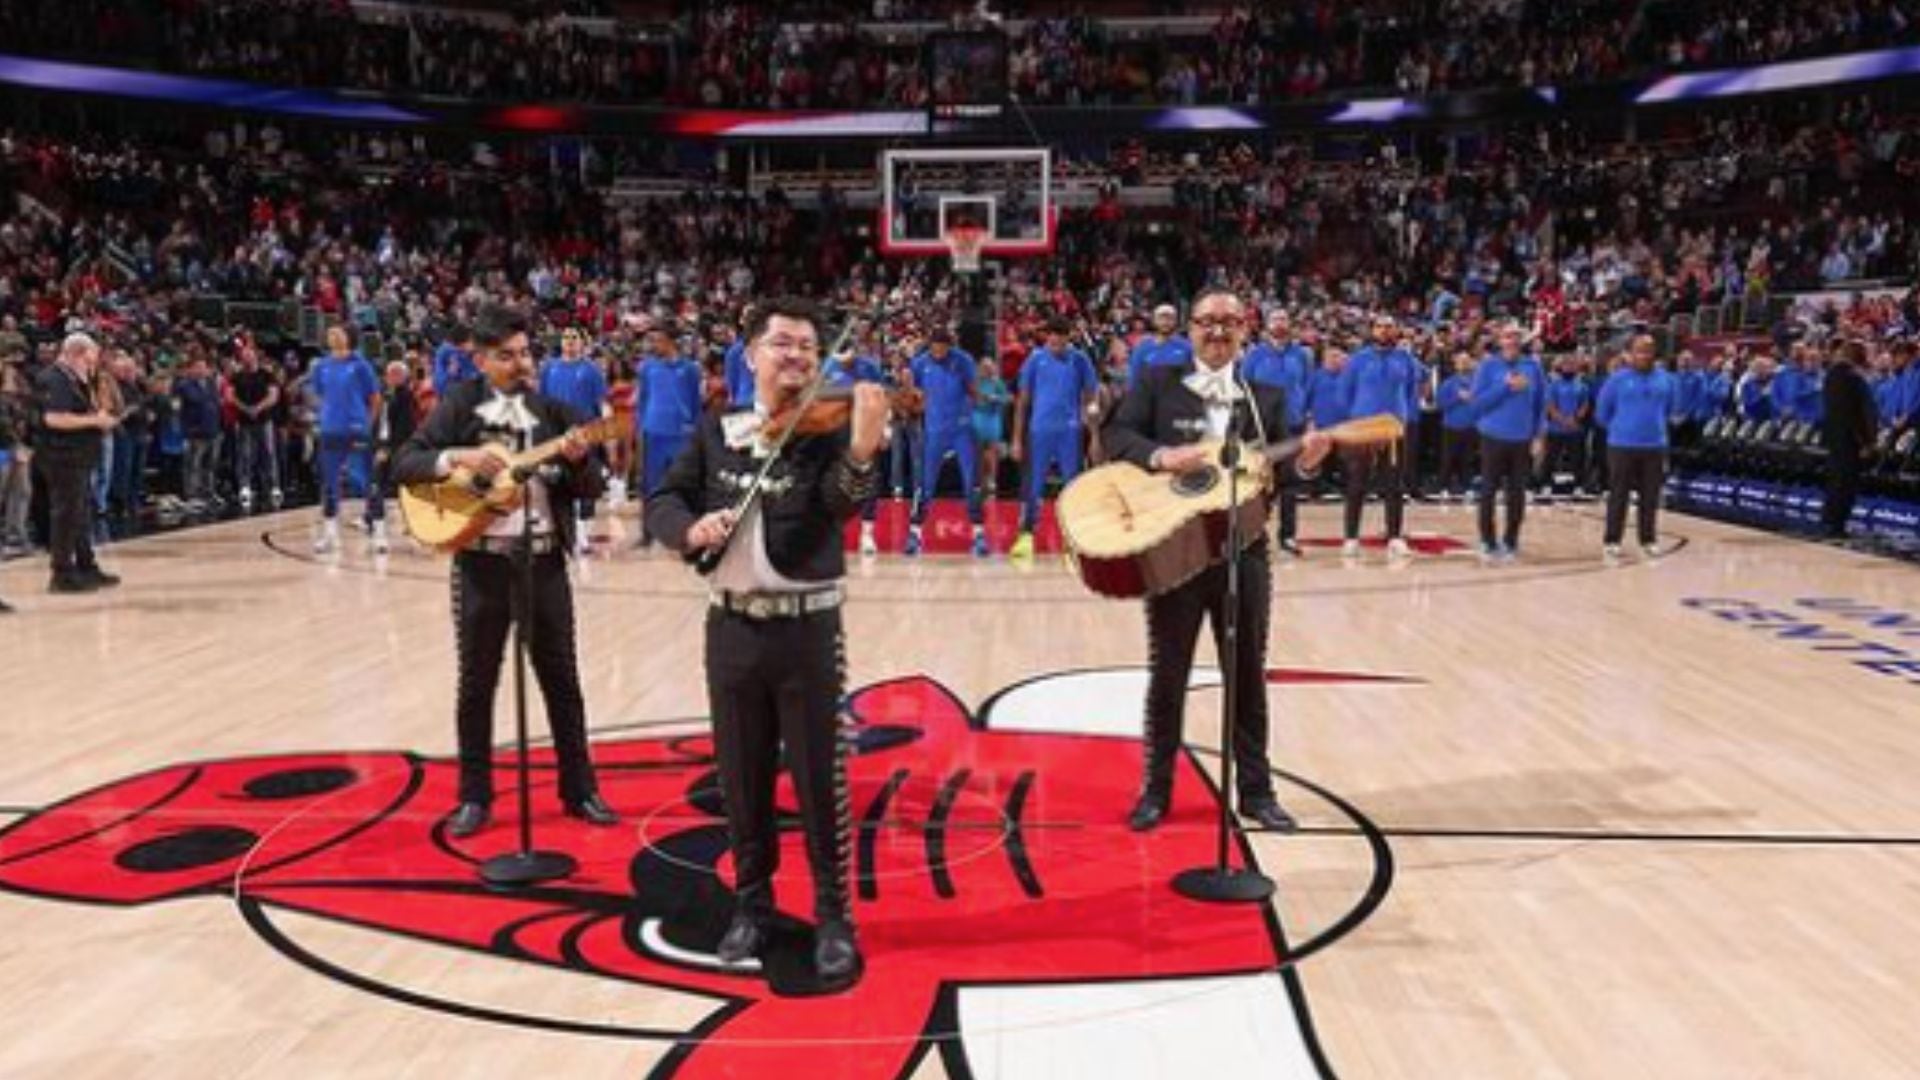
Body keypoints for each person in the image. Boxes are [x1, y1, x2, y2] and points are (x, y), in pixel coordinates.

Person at [645, 296, 889, 992]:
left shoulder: (828, 430)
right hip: (731, 625)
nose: (798, 357)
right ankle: (752, 905)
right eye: (783, 344)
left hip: (807, 629)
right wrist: (688, 532)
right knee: (740, 776)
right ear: (750, 354)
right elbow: (665, 498)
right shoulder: (717, 430)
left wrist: (865, 448)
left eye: (809, 349)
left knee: (819, 779)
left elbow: (843, 507)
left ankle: (834, 917)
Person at [1102, 289, 1331, 834]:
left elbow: (1284, 471)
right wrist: (1160, 455)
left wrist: (1309, 465)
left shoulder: (1265, 399)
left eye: (1229, 322)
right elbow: (1116, 434)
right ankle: (1155, 792)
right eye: (1207, 321)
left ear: (1244, 330)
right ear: (1190, 329)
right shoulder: (1158, 383)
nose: (1218, 331)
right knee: (1168, 676)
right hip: (1174, 553)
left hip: (1243, 554)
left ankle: (1257, 793)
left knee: (1247, 676)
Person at [390, 304, 618, 838]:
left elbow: (589, 489)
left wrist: (583, 459)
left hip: (543, 562)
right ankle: (474, 797)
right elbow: (404, 462)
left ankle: (580, 790)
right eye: (506, 356)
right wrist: (458, 459)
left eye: (524, 353)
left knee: (562, 681)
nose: (520, 364)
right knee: (477, 684)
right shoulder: (459, 405)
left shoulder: (555, 411)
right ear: (481, 359)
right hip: (481, 564)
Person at [33, 333, 121, 594]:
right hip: (61, 456)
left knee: (81, 514)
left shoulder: (74, 380)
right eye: (89, 360)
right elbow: (54, 418)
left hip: (79, 455)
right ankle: (61, 572)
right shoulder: (55, 379)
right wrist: (94, 421)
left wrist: (100, 419)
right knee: (66, 514)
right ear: (76, 354)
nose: (91, 366)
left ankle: (86, 565)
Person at [1010, 318, 1097, 560]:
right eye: (1052, 335)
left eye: (1062, 335)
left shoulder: (1080, 359)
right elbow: (1022, 401)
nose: (1056, 339)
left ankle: (1074, 540)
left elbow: (1090, 399)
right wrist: (1016, 439)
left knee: (1073, 486)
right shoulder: (1035, 359)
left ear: (1069, 336)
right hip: (1040, 431)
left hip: (1070, 431)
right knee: (1033, 486)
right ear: (1046, 336)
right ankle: (1026, 537)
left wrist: (1096, 437)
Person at [1337, 314, 1419, 559]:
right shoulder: (1358, 360)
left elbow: (1411, 391)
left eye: (1390, 326)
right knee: (1357, 485)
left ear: (1396, 331)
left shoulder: (1406, 359)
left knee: (1394, 485)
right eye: (1380, 327)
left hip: (1393, 429)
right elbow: (1344, 394)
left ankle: (1394, 537)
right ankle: (1351, 538)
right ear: (1372, 331)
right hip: (1364, 429)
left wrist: (1403, 418)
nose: (1385, 330)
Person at [1466, 324, 1547, 562]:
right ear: (1500, 340)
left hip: (1522, 439)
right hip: (1493, 437)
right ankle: (1487, 540)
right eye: (1507, 336)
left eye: (1516, 337)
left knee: (1517, 494)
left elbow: (1541, 404)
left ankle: (1511, 540)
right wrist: (1506, 387)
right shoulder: (1487, 366)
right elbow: (1477, 403)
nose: (1511, 341)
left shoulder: (1533, 367)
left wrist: (1539, 435)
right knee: (1489, 491)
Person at [906, 327, 987, 557]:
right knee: (925, 483)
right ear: (930, 345)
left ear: (949, 346)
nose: (939, 351)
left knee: (972, 481)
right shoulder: (920, 363)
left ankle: (979, 535)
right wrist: (913, 415)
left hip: (962, 429)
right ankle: (914, 535)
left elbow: (974, 391)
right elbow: (913, 394)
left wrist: (980, 416)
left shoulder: (963, 360)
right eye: (935, 347)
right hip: (933, 431)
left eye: (943, 347)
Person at [1595, 335, 1677, 560]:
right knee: (1618, 495)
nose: (1645, 355)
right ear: (1630, 354)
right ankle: (1612, 540)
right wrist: (1622, 428)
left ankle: (1648, 539)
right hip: (1622, 445)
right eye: (1640, 350)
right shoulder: (1617, 380)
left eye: (1649, 350)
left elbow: (1669, 409)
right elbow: (1602, 413)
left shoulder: (1666, 379)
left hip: (1655, 445)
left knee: (1650, 495)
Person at [1242, 309, 1315, 554]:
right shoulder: (1254, 355)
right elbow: (1244, 390)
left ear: (1289, 324)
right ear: (1267, 325)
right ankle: (1253, 535)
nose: (1280, 323)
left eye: (1284, 319)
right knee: (1258, 484)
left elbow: (1309, 387)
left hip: (1293, 425)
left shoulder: (1302, 355)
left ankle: (1288, 536)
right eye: (1275, 320)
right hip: (1262, 428)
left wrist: (1309, 419)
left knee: (1290, 485)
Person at [309, 325, 385, 554]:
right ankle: (330, 535)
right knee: (330, 484)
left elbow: (375, 398)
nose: (332, 335)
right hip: (330, 430)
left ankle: (379, 534)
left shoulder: (360, 365)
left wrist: (366, 425)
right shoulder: (320, 366)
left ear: (349, 337)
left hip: (356, 429)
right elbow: (322, 395)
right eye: (330, 332)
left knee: (366, 482)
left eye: (338, 332)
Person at [538, 327, 610, 553]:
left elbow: (602, 403)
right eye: (566, 337)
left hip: (585, 432)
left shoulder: (592, 371)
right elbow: (542, 401)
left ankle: (584, 535)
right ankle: (560, 531)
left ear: (583, 342)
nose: (569, 341)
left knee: (586, 482)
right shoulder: (549, 369)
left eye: (574, 337)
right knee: (556, 481)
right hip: (556, 433)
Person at [635, 327, 703, 547]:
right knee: (650, 485)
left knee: (684, 483)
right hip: (653, 433)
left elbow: (696, 403)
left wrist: (695, 431)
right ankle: (647, 534)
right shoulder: (646, 368)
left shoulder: (691, 369)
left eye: (658, 340)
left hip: (681, 434)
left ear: (670, 342)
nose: (653, 345)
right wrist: (640, 427)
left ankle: (687, 532)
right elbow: (642, 400)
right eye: (652, 341)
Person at [1822, 340, 1879, 540]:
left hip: (1834, 437)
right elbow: (1863, 414)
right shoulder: (1855, 378)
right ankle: (1838, 526)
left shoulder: (1830, 376)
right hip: (1852, 439)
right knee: (1846, 483)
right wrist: (1867, 442)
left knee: (1835, 479)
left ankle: (1829, 521)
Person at [1436, 351, 1478, 501]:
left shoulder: (1477, 382)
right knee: (1448, 458)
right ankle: (1443, 487)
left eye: (1467, 360)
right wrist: (1457, 397)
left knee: (1468, 459)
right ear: (1455, 365)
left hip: (1471, 426)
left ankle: (1468, 487)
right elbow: (1440, 404)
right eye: (1461, 361)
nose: (1464, 363)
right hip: (1451, 426)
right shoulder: (1448, 383)